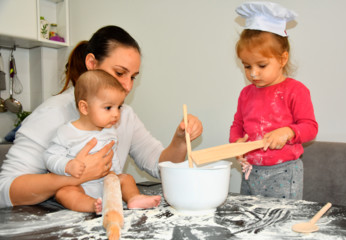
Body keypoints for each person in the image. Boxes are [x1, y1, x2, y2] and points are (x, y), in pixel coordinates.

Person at [0, 25, 203, 208]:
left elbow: (161, 168)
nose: (128, 86)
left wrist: (180, 140)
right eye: (120, 73)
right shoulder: (52, 114)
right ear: (91, 63)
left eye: (132, 77)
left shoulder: (124, 116)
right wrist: (74, 177)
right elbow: (5, 190)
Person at [230, 2, 318, 200]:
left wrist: (289, 131)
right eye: (246, 66)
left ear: (282, 58)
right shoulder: (246, 94)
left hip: (284, 172)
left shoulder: (295, 91)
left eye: (261, 65)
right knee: (251, 218)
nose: (253, 73)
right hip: (251, 170)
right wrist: (236, 142)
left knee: (280, 220)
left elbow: (310, 127)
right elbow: (238, 125)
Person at [44, 70, 161, 213]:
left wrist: (116, 174)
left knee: (127, 178)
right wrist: (67, 165)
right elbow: (49, 157)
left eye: (119, 107)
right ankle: (92, 205)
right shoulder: (66, 132)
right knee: (64, 193)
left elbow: (113, 157)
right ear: (85, 107)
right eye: (108, 108)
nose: (116, 114)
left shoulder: (109, 132)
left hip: (105, 183)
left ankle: (134, 198)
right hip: (79, 186)